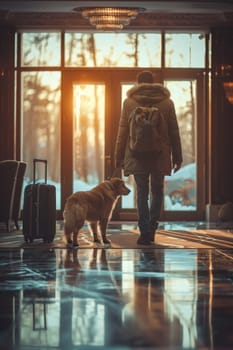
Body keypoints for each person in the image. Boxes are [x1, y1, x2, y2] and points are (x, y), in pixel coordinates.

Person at [114, 70, 183, 245]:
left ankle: (144, 231)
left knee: (142, 193)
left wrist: (118, 156)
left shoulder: (129, 103)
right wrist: (178, 157)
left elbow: (122, 132)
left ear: (138, 84)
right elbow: (174, 131)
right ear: (154, 83)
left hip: (136, 155)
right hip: (160, 155)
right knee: (157, 191)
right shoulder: (167, 103)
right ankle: (152, 228)